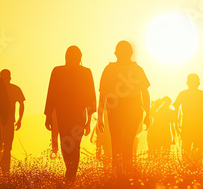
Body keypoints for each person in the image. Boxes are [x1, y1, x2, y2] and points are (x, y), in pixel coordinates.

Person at [44, 46, 96, 181]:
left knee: (69, 144)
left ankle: (71, 174)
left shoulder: (79, 72)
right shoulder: (60, 71)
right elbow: (52, 94)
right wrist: (48, 115)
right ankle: (71, 172)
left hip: (70, 114)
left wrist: (48, 115)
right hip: (70, 114)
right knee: (69, 144)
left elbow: (90, 96)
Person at [98, 41, 151, 170]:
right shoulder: (135, 69)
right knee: (125, 143)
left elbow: (103, 95)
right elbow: (145, 93)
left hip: (123, 110)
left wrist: (100, 117)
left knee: (119, 143)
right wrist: (147, 114)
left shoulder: (111, 69)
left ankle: (120, 173)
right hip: (124, 110)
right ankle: (125, 173)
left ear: (115, 53)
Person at [173, 74, 203, 162]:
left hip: (187, 127)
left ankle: (186, 168)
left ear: (187, 83)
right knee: (197, 152)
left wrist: (176, 125)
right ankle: (195, 168)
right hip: (197, 128)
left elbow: (176, 110)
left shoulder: (183, 94)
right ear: (198, 83)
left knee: (186, 152)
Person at [0, 69, 26, 171]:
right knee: (5, 148)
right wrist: (19, 119)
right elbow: (21, 104)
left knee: (3, 147)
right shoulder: (14, 88)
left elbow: (22, 104)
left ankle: (2, 170)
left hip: (5, 122)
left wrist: (19, 119)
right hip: (3, 122)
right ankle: (4, 170)